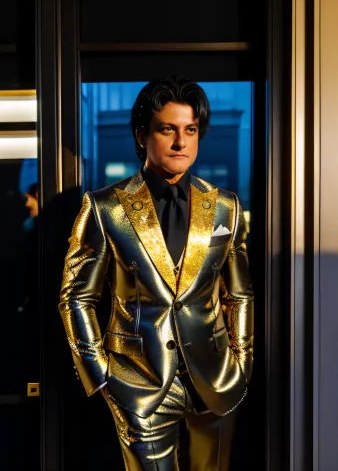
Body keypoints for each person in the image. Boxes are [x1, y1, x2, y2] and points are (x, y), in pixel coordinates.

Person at [59, 75, 254, 470]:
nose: (181, 143)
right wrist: (99, 375)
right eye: (168, 129)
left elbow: (240, 295)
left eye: (190, 130)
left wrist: (242, 361)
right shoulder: (104, 208)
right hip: (139, 383)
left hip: (215, 379)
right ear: (142, 134)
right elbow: (76, 297)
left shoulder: (225, 209)